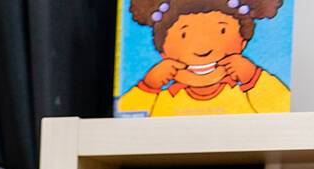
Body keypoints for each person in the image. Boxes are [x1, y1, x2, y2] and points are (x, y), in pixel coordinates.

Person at [117, 0, 290, 116]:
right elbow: (124, 116)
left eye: (221, 31)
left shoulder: (245, 93)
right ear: (163, 52)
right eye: (184, 35)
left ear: (243, 42)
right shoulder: (162, 98)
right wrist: (147, 87)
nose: (202, 49)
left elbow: (280, 111)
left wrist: (254, 77)